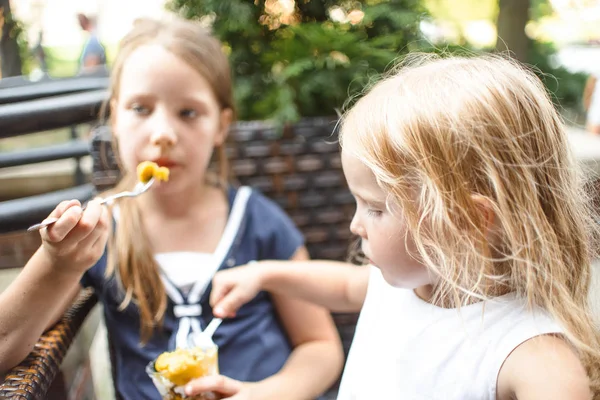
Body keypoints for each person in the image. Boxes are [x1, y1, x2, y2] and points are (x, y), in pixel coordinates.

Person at [193, 54, 600, 399]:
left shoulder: (529, 353)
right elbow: (344, 286)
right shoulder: (404, 285)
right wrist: (264, 274)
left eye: (373, 207)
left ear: (469, 221)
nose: (355, 224)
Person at [0, 17, 343, 400]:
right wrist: (57, 263)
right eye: (141, 108)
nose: (162, 133)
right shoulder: (98, 233)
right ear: (115, 118)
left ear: (220, 126)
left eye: (188, 113)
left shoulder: (257, 221)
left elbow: (320, 346)